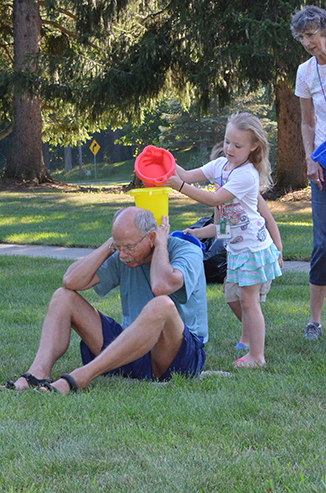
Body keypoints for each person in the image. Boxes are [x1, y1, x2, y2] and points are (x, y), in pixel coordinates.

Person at [2, 207, 208, 395]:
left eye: (129, 247)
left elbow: (161, 287)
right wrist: (112, 245)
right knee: (62, 296)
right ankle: (38, 373)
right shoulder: (123, 255)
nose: (123, 255)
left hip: (176, 356)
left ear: (152, 237)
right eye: (119, 247)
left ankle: (79, 378)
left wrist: (161, 244)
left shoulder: (187, 251)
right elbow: (71, 281)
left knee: (161, 304)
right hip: (129, 351)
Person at [166, 112, 282, 368]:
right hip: (238, 246)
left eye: (237, 145)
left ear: (253, 147)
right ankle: (253, 347)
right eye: (228, 141)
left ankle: (257, 356)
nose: (229, 148)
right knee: (242, 299)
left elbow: (215, 200)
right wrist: (164, 162)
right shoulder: (220, 166)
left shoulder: (246, 175)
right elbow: (185, 174)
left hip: (252, 247)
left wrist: (180, 188)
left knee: (249, 301)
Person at [183, 143, 283, 351]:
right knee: (232, 297)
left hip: (255, 252)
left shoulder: (248, 189)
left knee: (249, 300)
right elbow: (222, 229)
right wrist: (198, 233)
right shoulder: (221, 197)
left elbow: (269, 220)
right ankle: (256, 332)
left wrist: (279, 249)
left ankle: (250, 341)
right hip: (236, 254)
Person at [291, 5, 326, 340]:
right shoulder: (305, 71)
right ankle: (314, 321)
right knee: (322, 243)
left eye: (311, 35)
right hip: (322, 163)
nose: (307, 42)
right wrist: (309, 159)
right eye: (302, 37)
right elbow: (306, 121)